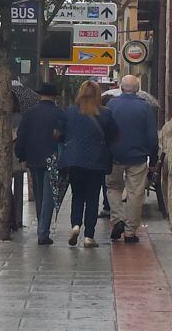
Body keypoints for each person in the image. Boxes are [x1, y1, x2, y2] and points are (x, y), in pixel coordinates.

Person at [57, 81, 118, 248]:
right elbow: (113, 136)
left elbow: (60, 135)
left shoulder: (69, 112)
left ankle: (75, 225)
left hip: (74, 161)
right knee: (92, 198)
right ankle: (89, 236)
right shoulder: (105, 114)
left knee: (77, 195)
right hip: (96, 161)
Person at [106, 75, 158, 243]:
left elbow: (105, 130)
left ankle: (118, 219)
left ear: (121, 88)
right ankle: (129, 232)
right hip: (137, 156)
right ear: (137, 89)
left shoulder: (111, 105)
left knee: (113, 188)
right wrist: (153, 157)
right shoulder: (145, 108)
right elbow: (151, 136)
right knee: (136, 193)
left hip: (114, 155)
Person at [16, 84, 63, 245]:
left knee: (39, 195)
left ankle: (41, 229)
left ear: (39, 96)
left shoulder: (29, 114)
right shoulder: (59, 114)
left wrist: (21, 155)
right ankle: (43, 232)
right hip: (53, 159)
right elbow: (63, 137)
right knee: (49, 196)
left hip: (34, 159)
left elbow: (21, 136)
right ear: (55, 97)